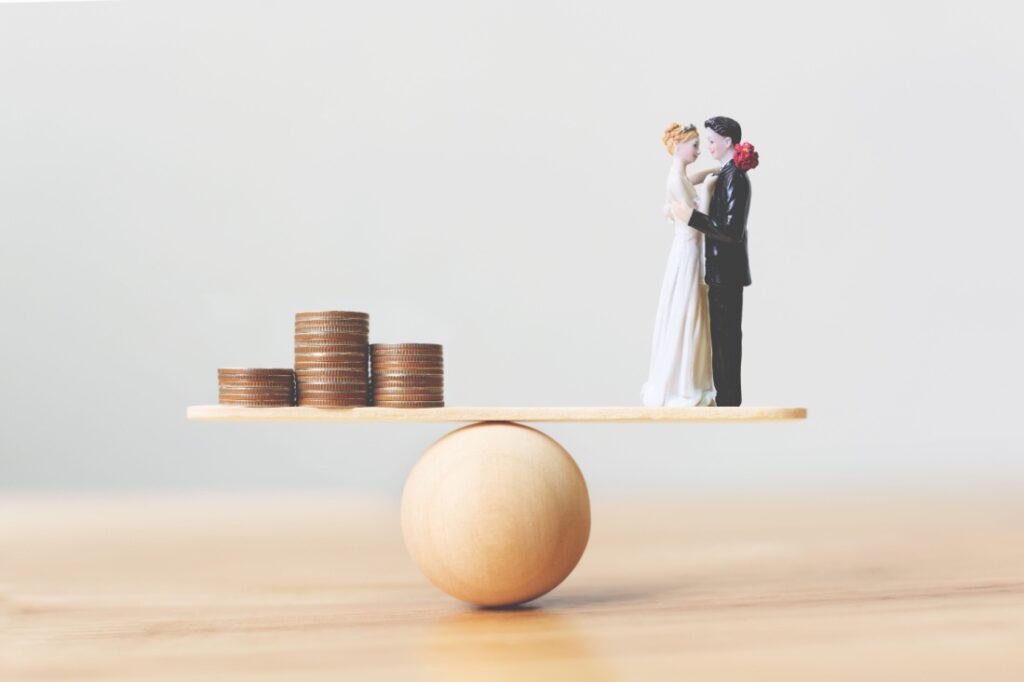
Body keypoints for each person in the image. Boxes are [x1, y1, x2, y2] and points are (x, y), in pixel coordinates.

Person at [670, 116, 755, 407]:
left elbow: (731, 230)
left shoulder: (736, 179)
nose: (707, 147)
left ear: (727, 141)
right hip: (719, 272)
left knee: (727, 338)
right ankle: (725, 397)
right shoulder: (727, 173)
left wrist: (692, 218)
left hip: (727, 273)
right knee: (720, 337)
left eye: (710, 141)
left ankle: (729, 400)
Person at [641, 123, 718, 407]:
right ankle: (683, 383)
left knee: (691, 306)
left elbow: (689, 181)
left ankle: (688, 377)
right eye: (695, 145)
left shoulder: (679, 176)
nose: (698, 150)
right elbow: (693, 215)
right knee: (687, 306)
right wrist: (711, 191)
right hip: (689, 249)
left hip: (689, 246)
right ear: (678, 147)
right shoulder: (674, 180)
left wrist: (708, 173)